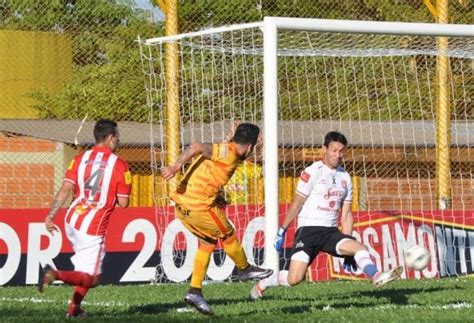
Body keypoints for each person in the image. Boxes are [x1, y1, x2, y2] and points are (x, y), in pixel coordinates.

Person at [249, 131, 403, 300]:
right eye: (334, 150)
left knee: (360, 248)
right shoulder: (312, 171)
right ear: (324, 150)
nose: (338, 155)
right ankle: (263, 284)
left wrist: (347, 249)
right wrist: (282, 230)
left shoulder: (345, 177)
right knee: (295, 279)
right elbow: (297, 202)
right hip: (308, 231)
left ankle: (376, 276)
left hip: (330, 233)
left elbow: (346, 215)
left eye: (341, 151)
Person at [162, 122, 273, 316]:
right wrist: (175, 166)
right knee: (228, 234)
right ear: (250, 147)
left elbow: (213, 161)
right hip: (199, 207)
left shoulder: (228, 151)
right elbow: (196, 146)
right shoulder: (229, 153)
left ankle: (195, 291)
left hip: (182, 206)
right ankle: (244, 269)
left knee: (207, 242)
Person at [38, 119, 132, 317]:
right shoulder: (120, 165)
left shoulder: (79, 159)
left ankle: (74, 309)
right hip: (92, 226)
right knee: (93, 278)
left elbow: (65, 189)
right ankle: (54, 274)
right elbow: (123, 203)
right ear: (111, 138)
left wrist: (50, 216)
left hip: (72, 219)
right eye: (117, 136)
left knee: (84, 269)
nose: (118, 140)